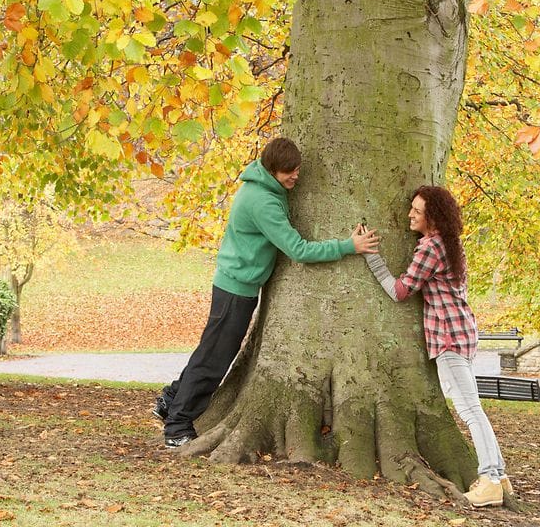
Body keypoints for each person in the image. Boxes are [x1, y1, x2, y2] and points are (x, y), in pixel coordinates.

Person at [155, 137, 379, 448]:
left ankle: (170, 399)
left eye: (297, 170)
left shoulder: (264, 188)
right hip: (236, 288)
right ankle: (177, 427)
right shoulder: (262, 202)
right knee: (215, 359)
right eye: (289, 172)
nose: (295, 177)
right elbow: (298, 250)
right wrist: (348, 246)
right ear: (271, 170)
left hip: (235, 282)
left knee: (212, 350)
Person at [362, 185, 511, 508]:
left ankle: (490, 479)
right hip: (462, 331)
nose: (410, 214)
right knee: (475, 409)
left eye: (417, 210)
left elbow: (401, 291)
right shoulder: (450, 244)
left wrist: (371, 257)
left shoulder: (430, 248)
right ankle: (499, 477)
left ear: (433, 215)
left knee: (471, 411)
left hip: (448, 337)